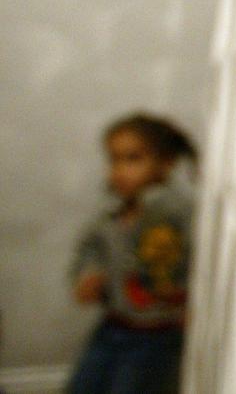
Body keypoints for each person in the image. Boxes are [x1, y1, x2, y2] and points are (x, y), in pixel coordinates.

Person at [66, 114, 196, 394]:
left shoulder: (175, 212)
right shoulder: (111, 213)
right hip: (112, 326)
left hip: (158, 334)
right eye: (113, 160)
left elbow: (192, 262)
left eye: (133, 159)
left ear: (166, 163)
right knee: (83, 385)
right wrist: (87, 275)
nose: (120, 170)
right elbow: (90, 249)